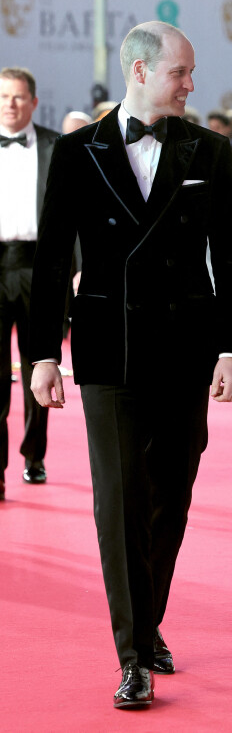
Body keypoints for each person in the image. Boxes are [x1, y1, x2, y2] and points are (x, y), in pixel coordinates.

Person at [29, 21, 232, 708]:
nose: (191, 84)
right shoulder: (76, 151)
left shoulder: (212, 152)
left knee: (171, 497)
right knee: (119, 500)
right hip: (107, 347)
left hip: (187, 348)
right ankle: (133, 654)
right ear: (139, 69)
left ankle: (147, 618)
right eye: (180, 72)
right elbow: (51, 258)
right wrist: (42, 351)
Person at [0, 67, 59, 502]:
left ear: (33, 102)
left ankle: (34, 455)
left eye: (19, 97)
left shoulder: (58, 147)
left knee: (41, 367)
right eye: (4, 96)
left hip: (41, 271)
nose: (11, 104)